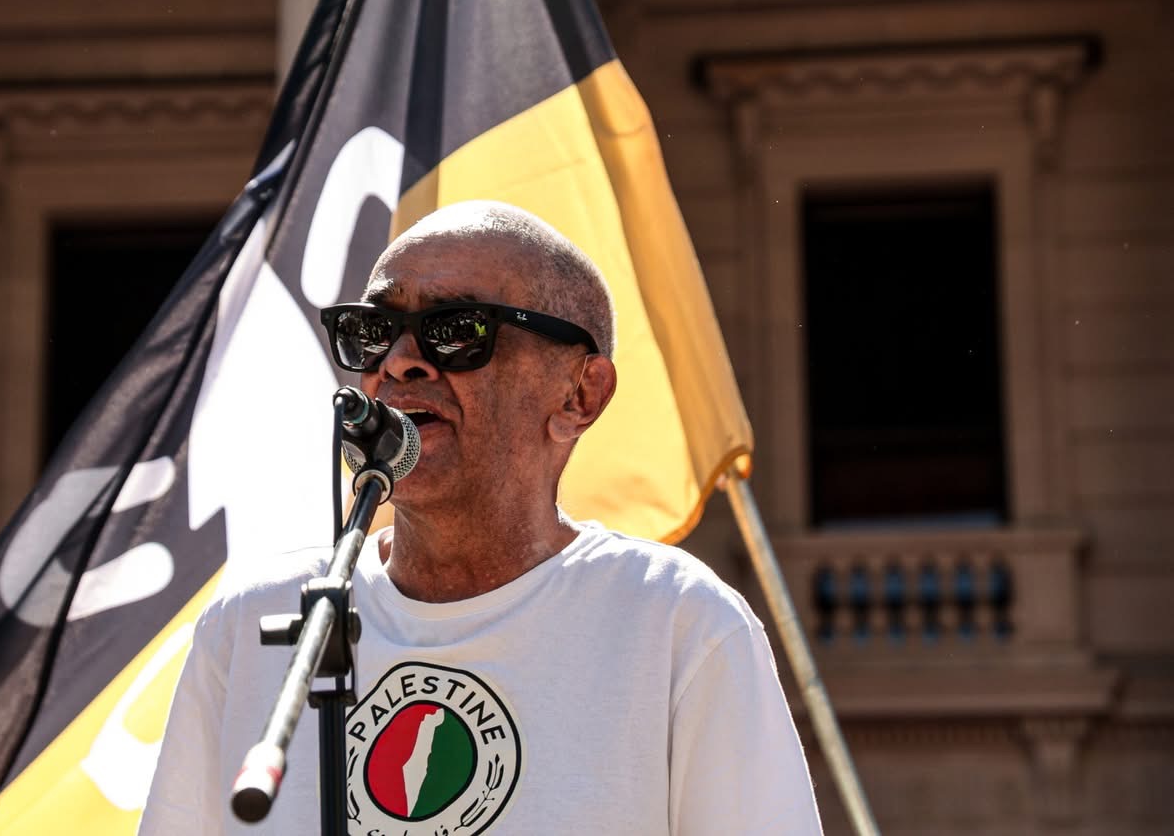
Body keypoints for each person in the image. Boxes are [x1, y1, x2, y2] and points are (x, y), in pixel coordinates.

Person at [140, 201, 824, 834]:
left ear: (580, 394)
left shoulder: (678, 624)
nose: (401, 363)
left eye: (457, 332)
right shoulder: (249, 625)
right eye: (373, 333)